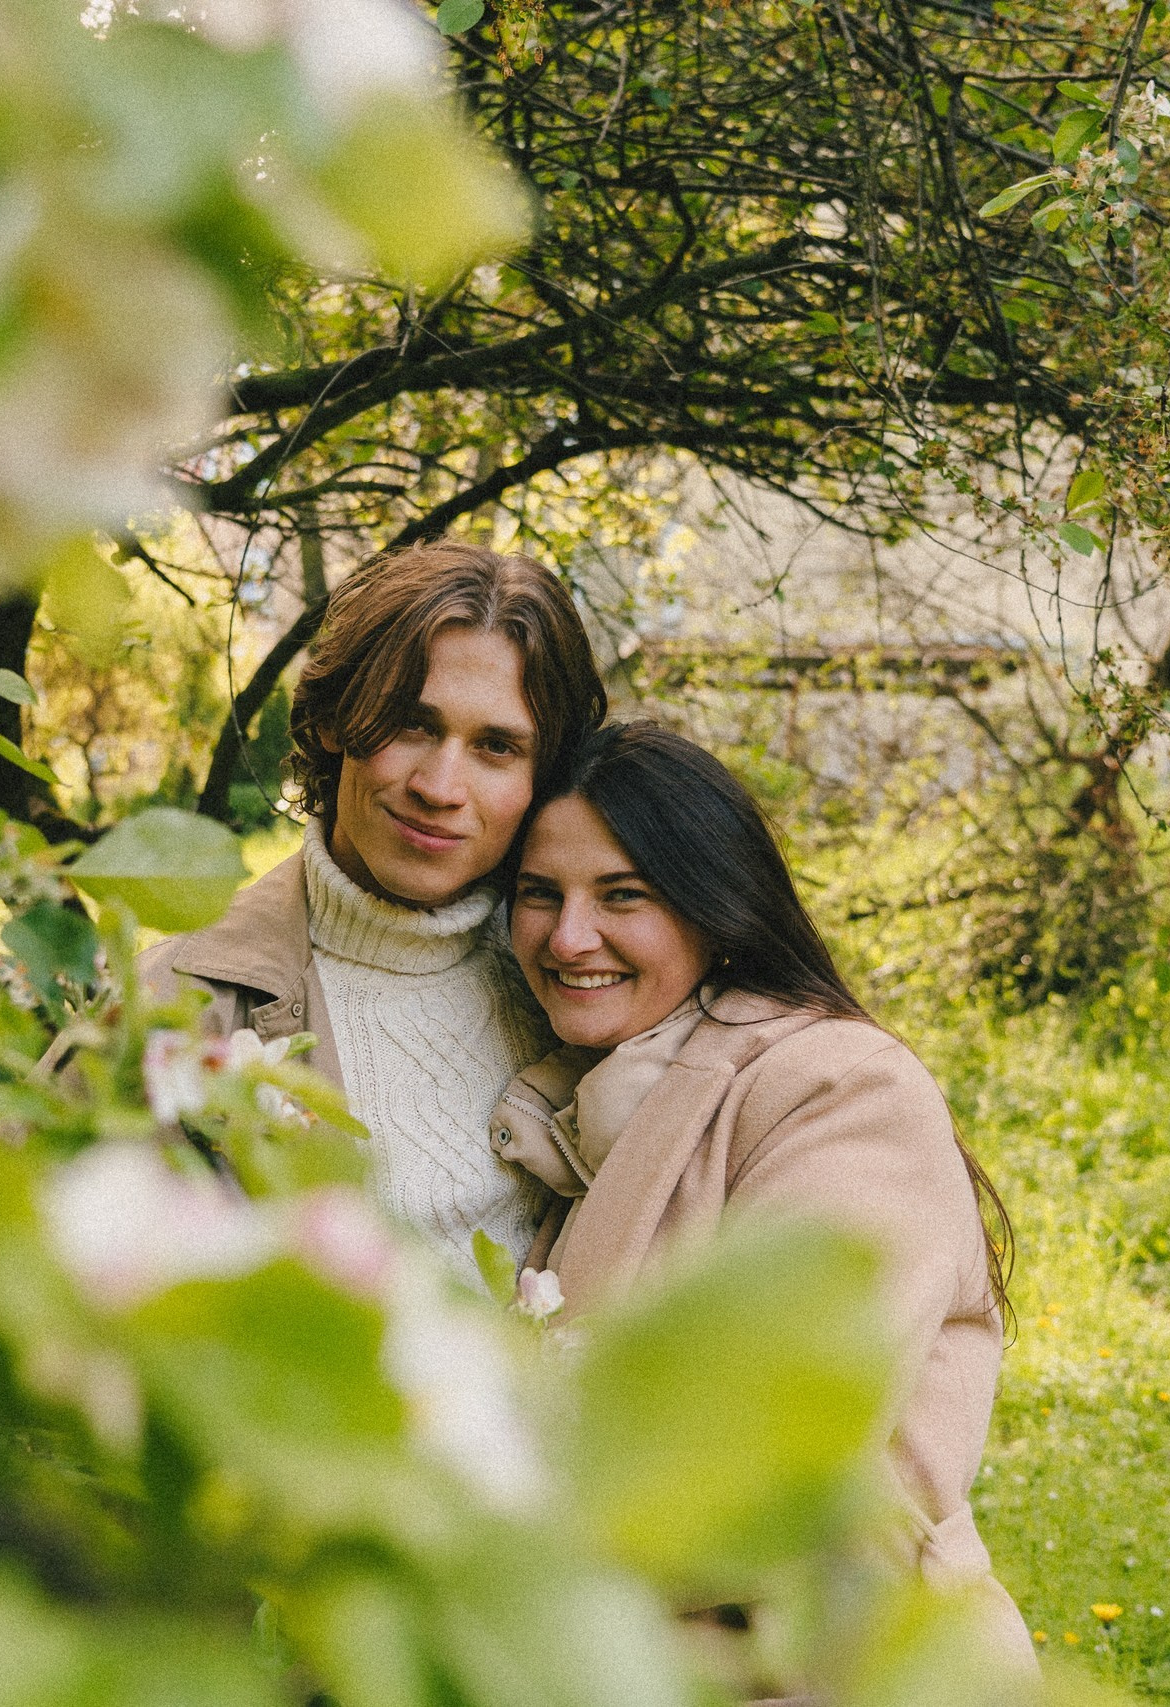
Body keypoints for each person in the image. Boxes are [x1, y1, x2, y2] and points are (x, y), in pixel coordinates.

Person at [489, 721, 1034, 1672]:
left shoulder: (839, 1087)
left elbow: (774, 1458)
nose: (569, 936)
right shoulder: (596, 1097)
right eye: (541, 895)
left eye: (624, 895)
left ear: (713, 906)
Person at [140, 539, 608, 1283]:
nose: (440, 785)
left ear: (540, 777)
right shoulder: (176, 1010)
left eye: (495, 746)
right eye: (413, 724)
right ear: (334, 721)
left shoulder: (592, 978)